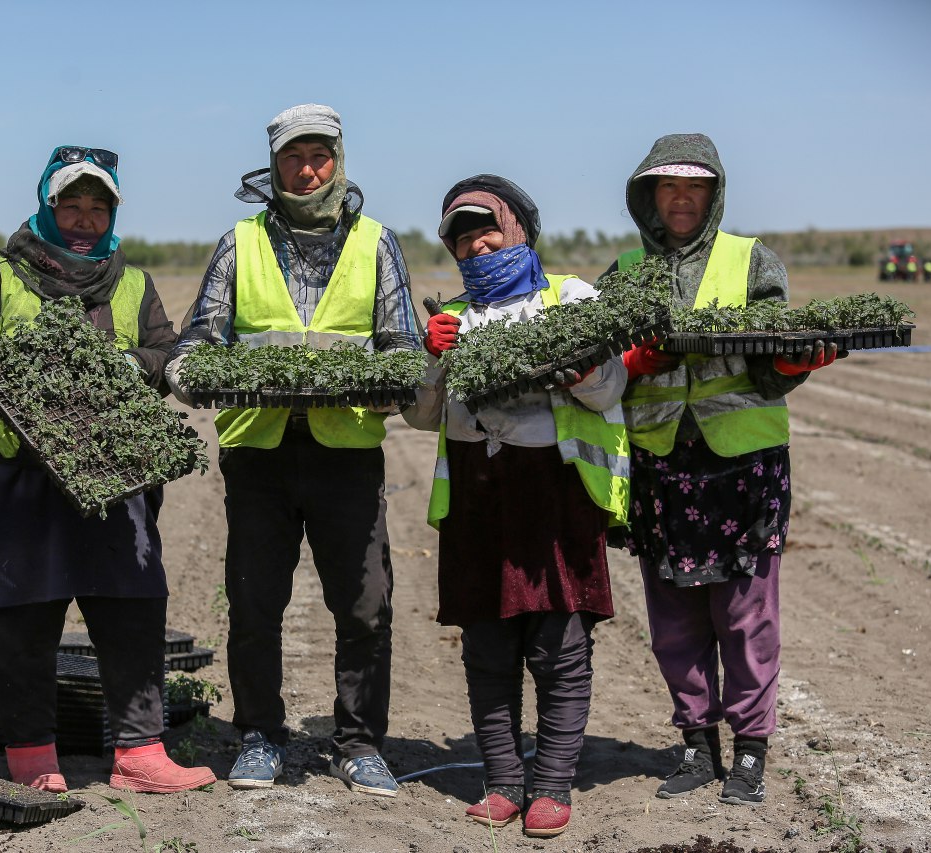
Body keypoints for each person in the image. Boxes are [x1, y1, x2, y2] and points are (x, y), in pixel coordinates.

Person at [0, 145, 214, 795]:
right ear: (48, 206)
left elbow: (165, 353)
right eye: (72, 204)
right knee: (22, 611)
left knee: (132, 605)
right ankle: (32, 753)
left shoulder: (132, 282)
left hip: (115, 475)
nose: (85, 218)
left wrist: (137, 366)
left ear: (112, 212)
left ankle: (140, 752)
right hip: (18, 478)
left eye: (98, 205)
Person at [166, 104, 420, 797]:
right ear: (273, 165)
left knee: (365, 604)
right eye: (293, 158)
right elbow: (199, 338)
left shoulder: (376, 243)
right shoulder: (238, 242)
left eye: (320, 156)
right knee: (254, 600)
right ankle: (258, 734)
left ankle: (361, 743)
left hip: (346, 451)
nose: (307, 170)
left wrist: (393, 382)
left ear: (339, 161)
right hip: (260, 453)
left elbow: (405, 347)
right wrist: (189, 373)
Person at [605, 133, 837, 806]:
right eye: (668, 186)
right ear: (649, 196)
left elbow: (769, 367)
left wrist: (792, 363)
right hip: (659, 465)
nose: (681, 198)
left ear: (714, 193)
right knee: (674, 619)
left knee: (745, 617)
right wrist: (631, 365)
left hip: (742, 466)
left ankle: (751, 751)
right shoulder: (624, 272)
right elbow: (602, 375)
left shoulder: (751, 260)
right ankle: (696, 746)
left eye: (695, 186)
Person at [403, 175, 627, 837]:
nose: (476, 245)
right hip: (479, 493)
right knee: (487, 645)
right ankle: (502, 780)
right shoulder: (457, 317)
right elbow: (421, 416)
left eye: (488, 228)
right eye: (462, 236)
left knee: (559, 644)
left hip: (553, 490)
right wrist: (431, 359)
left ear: (523, 228)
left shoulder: (571, 298)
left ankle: (552, 783)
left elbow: (612, 385)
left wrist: (578, 365)